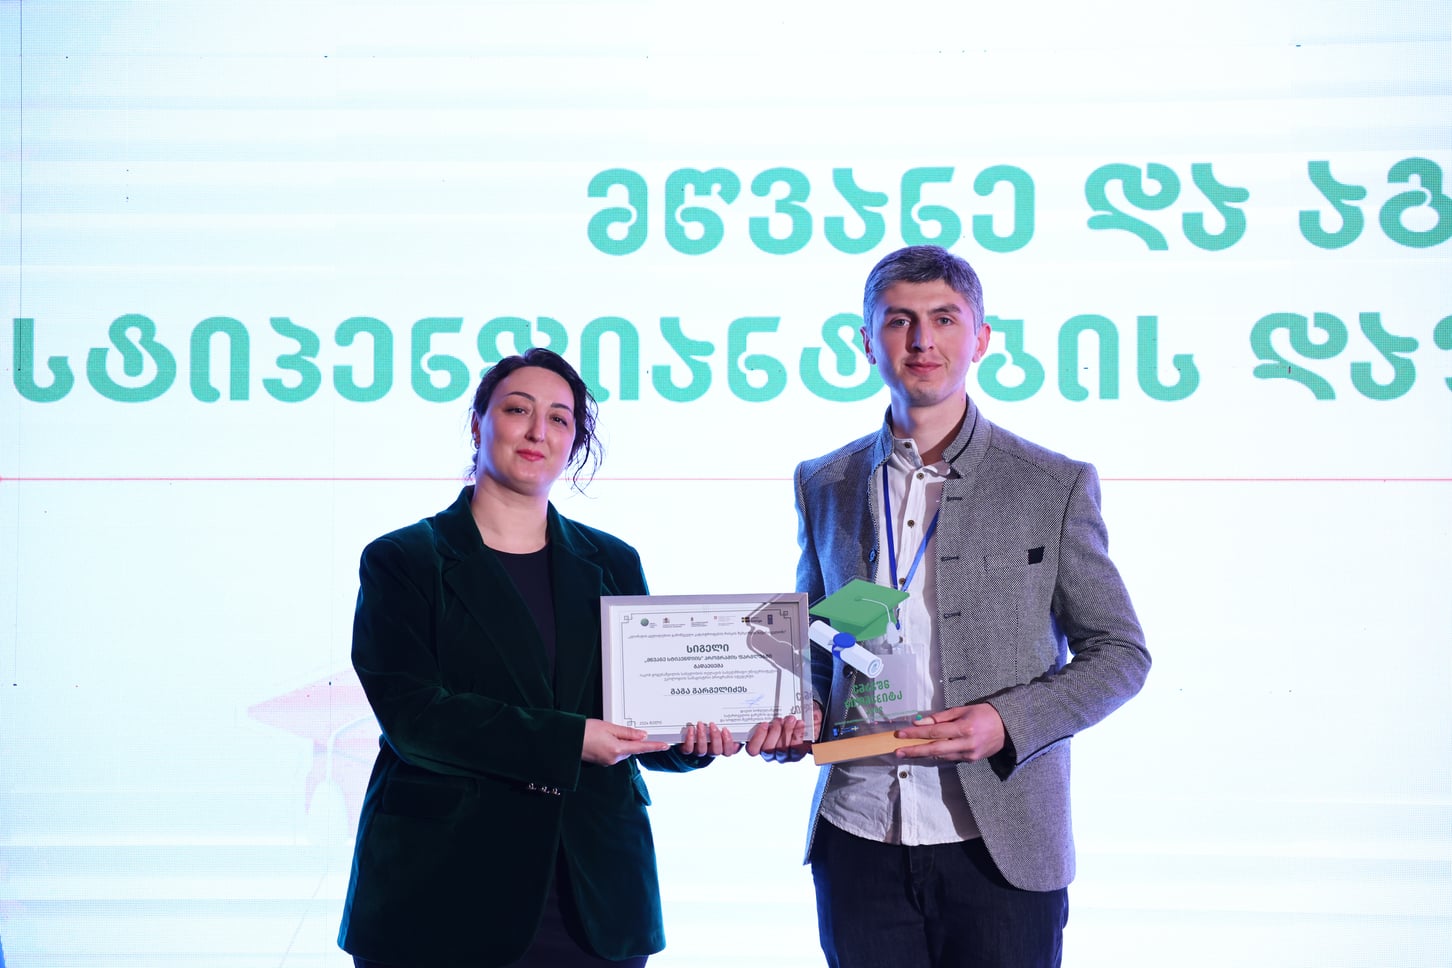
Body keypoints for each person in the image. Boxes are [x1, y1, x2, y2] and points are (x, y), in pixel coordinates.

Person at [747, 245, 1151, 968]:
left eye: (943, 319)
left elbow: (1120, 653)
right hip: (858, 830)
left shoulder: (1050, 483)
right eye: (899, 321)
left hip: (999, 841)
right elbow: (817, 639)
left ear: (981, 338)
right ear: (867, 341)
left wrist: (1007, 721)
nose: (921, 340)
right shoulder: (825, 481)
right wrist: (797, 708)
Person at [338, 347, 738, 968]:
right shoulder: (404, 560)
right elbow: (414, 718)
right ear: (478, 424)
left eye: (559, 419)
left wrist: (694, 739)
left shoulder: (612, 561)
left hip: (594, 893)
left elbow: (637, 714)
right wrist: (570, 740)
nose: (537, 432)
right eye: (517, 410)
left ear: (574, 443)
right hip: (443, 887)